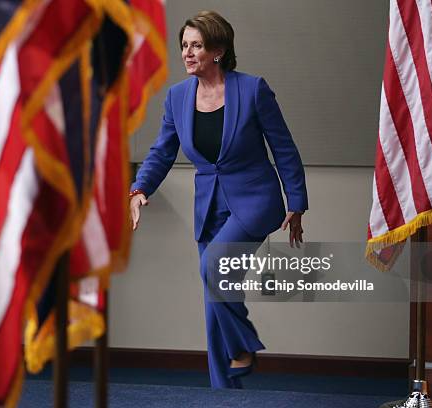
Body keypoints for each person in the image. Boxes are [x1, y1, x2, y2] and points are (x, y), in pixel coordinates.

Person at [129, 10, 308, 389]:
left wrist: (296, 202)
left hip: (256, 199)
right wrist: (140, 188)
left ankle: (244, 345)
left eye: (196, 45)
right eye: (184, 46)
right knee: (215, 297)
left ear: (218, 51)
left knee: (214, 268)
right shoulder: (177, 97)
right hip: (209, 205)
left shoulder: (253, 88)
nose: (188, 53)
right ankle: (224, 391)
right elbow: (162, 151)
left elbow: (284, 149)